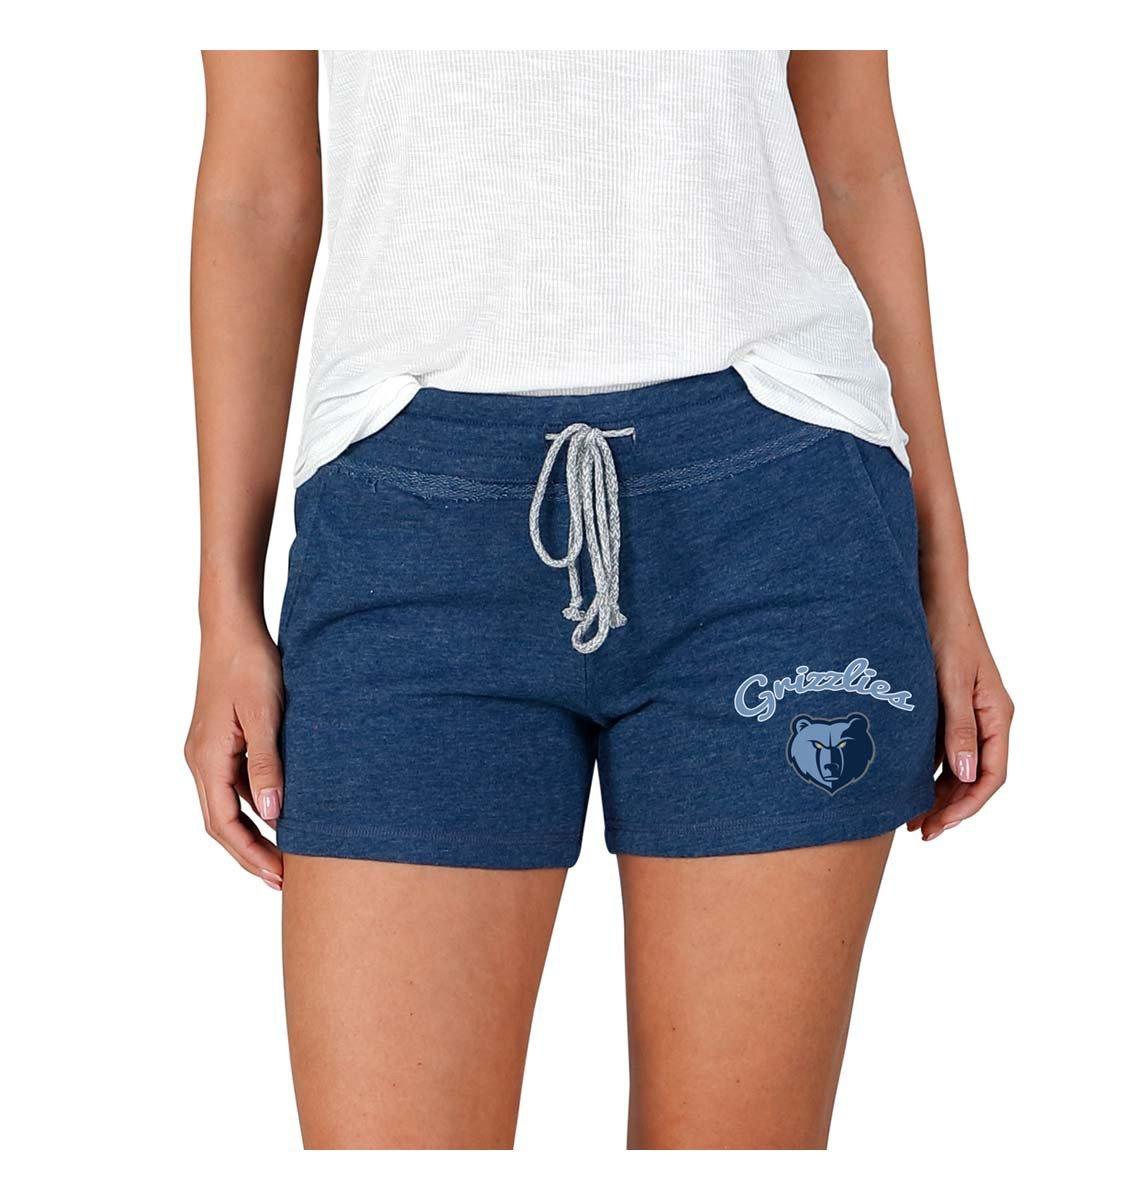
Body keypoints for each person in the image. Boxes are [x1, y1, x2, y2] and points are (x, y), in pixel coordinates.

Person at [185, 50, 1013, 1149]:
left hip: (774, 515)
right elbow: (255, 193)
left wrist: (947, 580)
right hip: (408, 531)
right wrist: (224, 611)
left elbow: (855, 166)